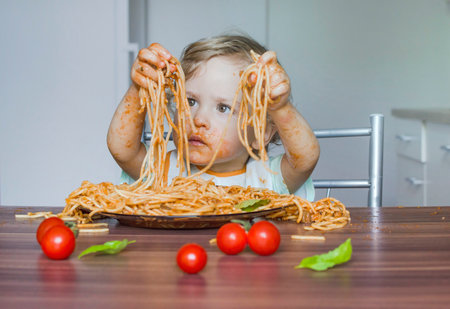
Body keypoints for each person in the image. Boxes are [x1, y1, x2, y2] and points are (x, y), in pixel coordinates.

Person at [107, 34, 320, 200]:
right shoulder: (163, 170)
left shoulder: (266, 180)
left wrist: (280, 108)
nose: (197, 119)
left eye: (223, 108)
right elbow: (123, 151)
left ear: (261, 131)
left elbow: (304, 161)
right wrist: (139, 88)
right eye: (190, 102)